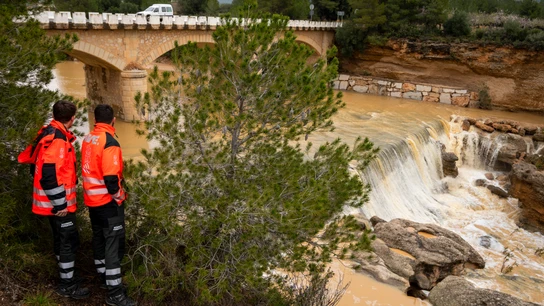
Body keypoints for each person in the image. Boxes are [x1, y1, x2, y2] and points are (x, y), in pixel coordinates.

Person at [17, 100, 90, 299]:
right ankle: (67, 285)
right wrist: (60, 204)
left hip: (52, 202)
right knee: (67, 240)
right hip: (59, 205)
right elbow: (49, 174)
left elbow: (35, 166)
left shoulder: (48, 131)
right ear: (72, 119)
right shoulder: (57, 139)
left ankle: (68, 276)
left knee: (61, 238)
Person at [81, 104, 136, 306]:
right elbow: (111, 179)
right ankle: (115, 293)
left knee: (99, 238)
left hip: (91, 200)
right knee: (113, 244)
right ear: (113, 120)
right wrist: (120, 196)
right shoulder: (110, 142)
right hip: (107, 203)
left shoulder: (88, 138)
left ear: (95, 120)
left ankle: (104, 278)